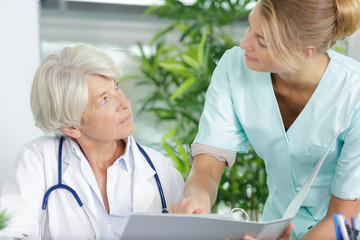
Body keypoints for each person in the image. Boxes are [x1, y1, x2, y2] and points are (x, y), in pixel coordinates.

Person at [170, 0, 360, 239]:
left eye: (262, 42)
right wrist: (198, 197)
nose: (244, 44)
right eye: (250, 27)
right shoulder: (234, 68)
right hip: (277, 226)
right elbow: (207, 165)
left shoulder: (355, 95)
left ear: (305, 52)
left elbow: (344, 219)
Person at [0, 45, 184, 239]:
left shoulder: (159, 169)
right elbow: (11, 234)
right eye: (104, 100)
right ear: (71, 127)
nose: (124, 103)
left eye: (116, 86)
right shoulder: (38, 160)